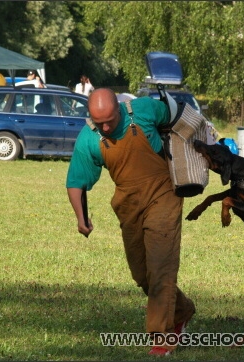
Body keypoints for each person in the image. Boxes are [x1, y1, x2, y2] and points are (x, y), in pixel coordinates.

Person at [66, 88, 195, 356]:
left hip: (164, 194)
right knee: (142, 275)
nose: (105, 126)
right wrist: (81, 218)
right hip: (128, 204)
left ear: (119, 108)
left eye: (109, 120)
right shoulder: (90, 137)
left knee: (161, 266)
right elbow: (76, 180)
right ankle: (182, 311)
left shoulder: (145, 110)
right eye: (98, 121)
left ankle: (161, 337)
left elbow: (179, 117)